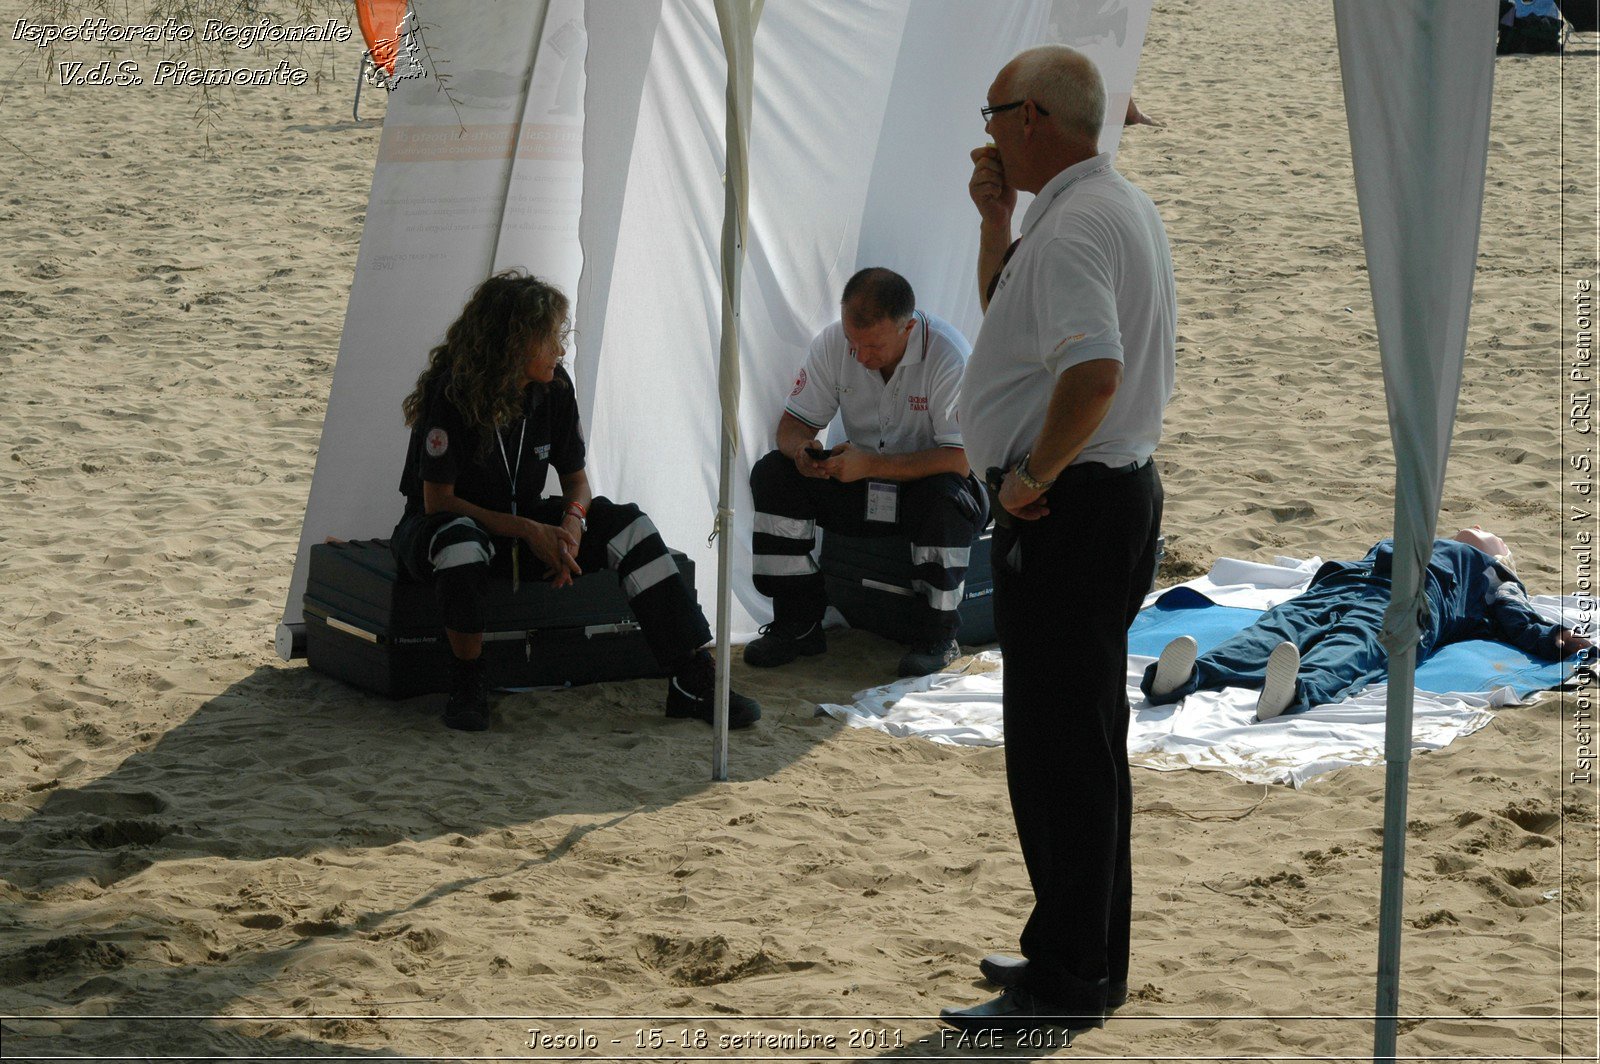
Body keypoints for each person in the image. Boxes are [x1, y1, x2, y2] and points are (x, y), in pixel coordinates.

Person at [940, 46, 1176, 1039]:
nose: (986, 132)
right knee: (1081, 739)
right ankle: (1082, 952)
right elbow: (1016, 322)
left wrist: (1031, 474)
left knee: (1057, 748)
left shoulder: (1079, 223)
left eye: (993, 113)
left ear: (1033, 115)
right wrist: (995, 224)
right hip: (1100, 498)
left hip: (1071, 506)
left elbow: (1092, 375)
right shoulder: (1090, 208)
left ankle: (1067, 968)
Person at [392, 270, 761, 733]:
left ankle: (690, 677)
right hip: (440, 526)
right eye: (550, 339)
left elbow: (577, 482)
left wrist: (572, 523)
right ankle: (468, 679)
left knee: (629, 525)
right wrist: (529, 530)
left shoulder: (555, 388)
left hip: (519, 524)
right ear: (513, 341)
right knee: (461, 543)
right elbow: (438, 502)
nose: (560, 350)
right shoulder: (454, 392)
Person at [745, 267, 988, 678]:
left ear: (908, 327)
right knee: (774, 473)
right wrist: (802, 450)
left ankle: (938, 635)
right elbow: (791, 425)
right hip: (861, 483)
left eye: (872, 345)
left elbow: (960, 460)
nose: (859, 355)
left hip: (929, 491)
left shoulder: (950, 356)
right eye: (852, 342)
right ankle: (799, 621)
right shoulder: (834, 343)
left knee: (945, 497)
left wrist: (870, 465)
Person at [1142, 527, 1594, 721]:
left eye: (1485, 532)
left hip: (1410, 596)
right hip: (1345, 582)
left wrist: (1555, 637)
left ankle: (1298, 691)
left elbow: (1518, 619)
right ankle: (1188, 675)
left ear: (1499, 554)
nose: (1474, 528)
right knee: (1275, 630)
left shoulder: (1491, 573)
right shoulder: (1413, 533)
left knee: (1356, 646)